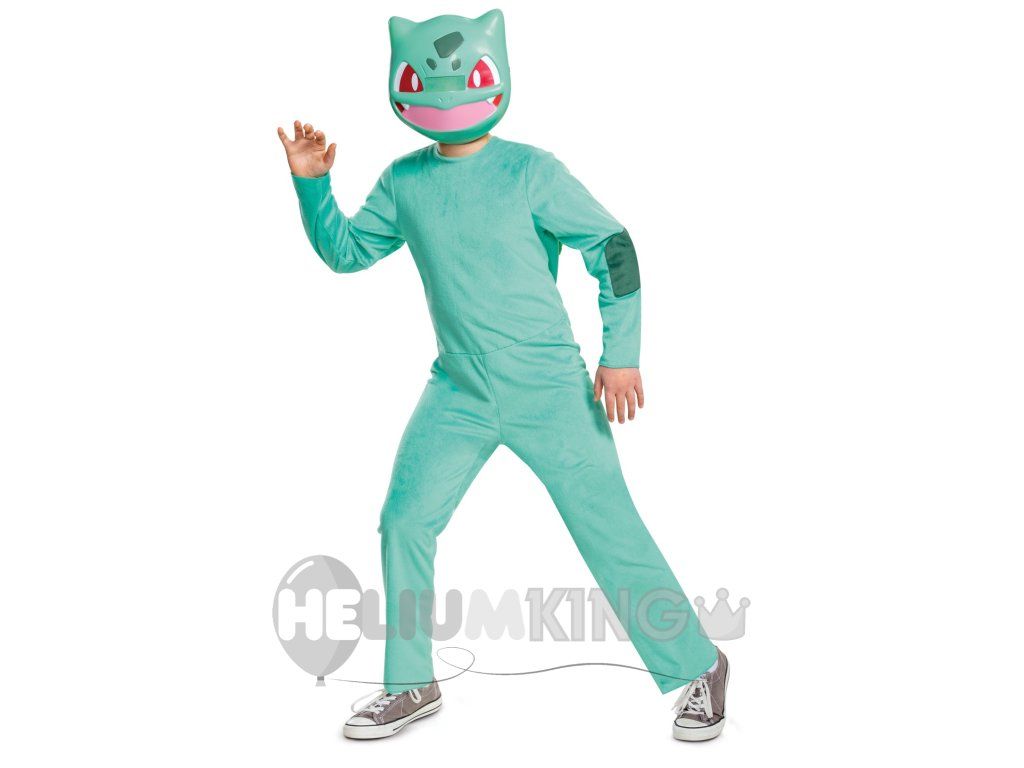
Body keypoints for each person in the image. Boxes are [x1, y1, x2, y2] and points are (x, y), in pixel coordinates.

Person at [278, 9, 730, 742]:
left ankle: (699, 665)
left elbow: (611, 245)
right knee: (404, 520)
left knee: (608, 528)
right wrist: (311, 184)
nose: (447, 86)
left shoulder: (530, 171)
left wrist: (621, 353)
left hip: (548, 387)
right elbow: (347, 252)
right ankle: (410, 682)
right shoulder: (404, 181)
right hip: (457, 389)